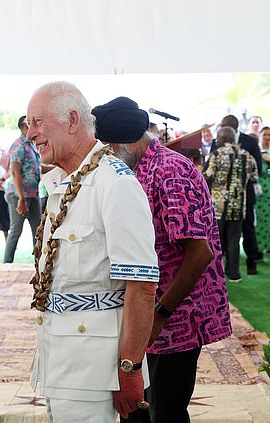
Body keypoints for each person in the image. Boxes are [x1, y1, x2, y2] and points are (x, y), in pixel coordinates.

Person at [93, 96, 232, 423]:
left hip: (176, 318)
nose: (106, 157)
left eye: (107, 148)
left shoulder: (170, 171)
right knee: (136, 407)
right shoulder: (138, 169)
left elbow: (199, 254)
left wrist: (158, 315)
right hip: (148, 315)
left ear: (121, 143)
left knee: (166, 411)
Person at [26, 82, 159, 422]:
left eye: (37, 122)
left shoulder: (115, 183)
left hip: (94, 365)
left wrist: (130, 368)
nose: (30, 134)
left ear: (72, 120)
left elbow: (141, 286)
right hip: (59, 354)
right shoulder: (62, 182)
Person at [204, 126, 258, 282]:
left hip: (218, 207)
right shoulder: (248, 156)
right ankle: (234, 273)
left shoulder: (216, 154)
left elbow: (207, 176)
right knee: (234, 240)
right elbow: (254, 179)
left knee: (216, 240)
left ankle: (215, 274)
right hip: (238, 206)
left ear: (221, 139)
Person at [3, 115, 45, 263]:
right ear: (22, 127)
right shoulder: (18, 145)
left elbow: (38, 167)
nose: (33, 127)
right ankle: (6, 264)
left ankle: (40, 265)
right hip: (18, 195)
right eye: (29, 124)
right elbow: (15, 172)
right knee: (16, 230)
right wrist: (21, 198)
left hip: (33, 194)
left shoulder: (32, 144)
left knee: (38, 230)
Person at [256, 126, 270, 253]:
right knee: (261, 219)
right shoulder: (256, 151)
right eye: (265, 134)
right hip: (260, 191)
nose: (267, 137)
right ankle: (258, 248)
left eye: (269, 135)